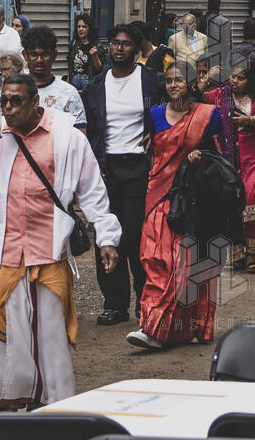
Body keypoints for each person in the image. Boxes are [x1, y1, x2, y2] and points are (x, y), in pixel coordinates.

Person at [0, 74, 120, 409]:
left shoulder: (67, 137)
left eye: (16, 101)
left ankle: (55, 406)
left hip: (48, 252)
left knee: (50, 338)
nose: (8, 108)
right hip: (0, 252)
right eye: (4, 101)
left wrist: (107, 237)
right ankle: (15, 397)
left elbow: (92, 190)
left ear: (35, 102)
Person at [127, 61, 225, 350]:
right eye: (169, 80)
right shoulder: (155, 114)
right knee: (156, 260)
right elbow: (154, 152)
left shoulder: (208, 115)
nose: (172, 85)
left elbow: (221, 158)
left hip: (194, 199)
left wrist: (201, 158)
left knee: (189, 265)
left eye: (179, 80)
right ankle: (153, 327)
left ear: (192, 84)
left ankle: (191, 327)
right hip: (159, 196)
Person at [82, 23, 164, 326]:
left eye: (126, 43)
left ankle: (145, 299)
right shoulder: (95, 86)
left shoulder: (152, 81)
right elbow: (89, 128)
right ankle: (115, 304)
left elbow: (179, 107)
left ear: (137, 47)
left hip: (140, 165)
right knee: (107, 233)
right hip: (106, 167)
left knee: (135, 235)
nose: (119, 48)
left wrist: (158, 132)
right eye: (115, 42)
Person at [203, 55, 255, 273]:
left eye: (241, 78)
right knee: (230, 206)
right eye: (232, 76)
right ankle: (236, 253)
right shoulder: (220, 95)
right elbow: (193, 99)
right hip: (227, 160)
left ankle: (251, 253)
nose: (234, 81)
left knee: (252, 200)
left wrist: (250, 121)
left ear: (250, 80)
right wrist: (207, 79)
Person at [22, 26, 87, 129]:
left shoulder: (69, 93)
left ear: (54, 55)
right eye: (34, 54)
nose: (39, 60)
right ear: (25, 55)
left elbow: (80, 133)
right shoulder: (13, 90)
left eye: (45, 54)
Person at [69, 13, 104, 92]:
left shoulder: (96, 45)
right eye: (78, 26)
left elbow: (99, 68)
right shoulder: (74, 43)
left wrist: (95, 56)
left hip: (88, 79)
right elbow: (70, 65)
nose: (80, 29)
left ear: (89, 28)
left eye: (84, 26)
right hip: (74, 78)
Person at [200, 0, 233, 72]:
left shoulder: (199, 20)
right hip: (219, 61)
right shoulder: (225, 21)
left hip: (202, 61)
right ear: (219, 7)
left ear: (207, 6)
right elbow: (227, 44)